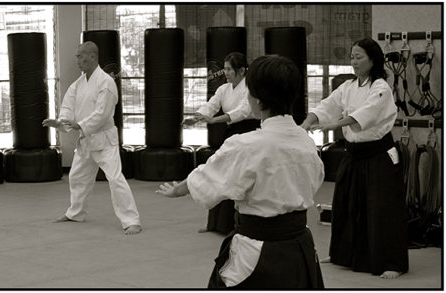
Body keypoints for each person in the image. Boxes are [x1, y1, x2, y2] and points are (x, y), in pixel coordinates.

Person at [157, 55, 325, 288]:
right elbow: (316, 180)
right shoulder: (306, 142)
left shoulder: (246, 145)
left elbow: (210, 178)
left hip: (258, 249)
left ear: (256, 98)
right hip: (300, 247)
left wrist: (179, 188)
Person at [300, 37, 408, 279]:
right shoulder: (347, 87)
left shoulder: (380, 87)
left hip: (379, 155)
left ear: (372, 60)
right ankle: (342, 254)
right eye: (352, 57)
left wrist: (333, 124)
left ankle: (392, 262)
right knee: (345, 205)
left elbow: (365, 114)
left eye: (359, 57)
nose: (354, 61)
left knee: (381, 209)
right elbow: (328, 105)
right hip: (354, 154)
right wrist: (309, 121)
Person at [43, 41, 142, 235]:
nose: (77, 60)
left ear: (93, 56)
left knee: (115, 179)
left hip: (104, 140)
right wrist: (60, 122)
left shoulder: (106, 82)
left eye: (80, 56)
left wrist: (80, 125)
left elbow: (102, 113)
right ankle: (76, 213)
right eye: (77, 57)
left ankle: (132, 221)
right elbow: (68, 110)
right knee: (77, 176)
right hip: (86, 140)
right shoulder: (77, 85)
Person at [183, 52, 260, 235]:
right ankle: (215, 224)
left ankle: (236, 224)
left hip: (248, 132)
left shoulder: (250, 88)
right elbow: (211, 105)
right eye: (224, 69)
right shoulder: (224, 89)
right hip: (231, 133)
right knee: (221, 174)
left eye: (229, 69)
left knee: (238, 177)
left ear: (241, 71)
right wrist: (197, 118)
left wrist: (213, 121)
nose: (225, 73)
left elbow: (242, 112)